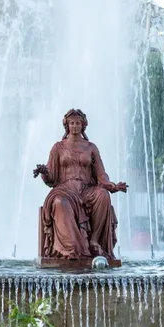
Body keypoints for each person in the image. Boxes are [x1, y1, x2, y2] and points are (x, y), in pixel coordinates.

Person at [35, 109, 128, 260]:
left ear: (83, 125)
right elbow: (51, 178)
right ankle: (73, 248)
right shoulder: (58, 147)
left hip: (86, 190)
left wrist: (112, 186)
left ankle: (94, 241)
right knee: (59, 203)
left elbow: (101, 174)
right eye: (72, 123)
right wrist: (44, 172)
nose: (75, 126)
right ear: (67, 125)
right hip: (64, 190)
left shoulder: (91, 148)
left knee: (102, 195)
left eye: (78, 123)